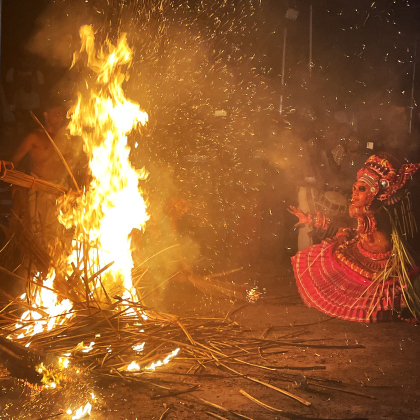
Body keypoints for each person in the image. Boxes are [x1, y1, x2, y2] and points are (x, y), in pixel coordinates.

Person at [289, 153, 420, 322]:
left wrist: (324, 223)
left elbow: (350, 223)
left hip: (385, 265)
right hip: (362, 254)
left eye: (361, 189)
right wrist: (312, 220)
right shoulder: (362, 211)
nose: (355, 194)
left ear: (375, 192)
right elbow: (347, 222)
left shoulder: (380, 214)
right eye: (354, 188)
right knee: (331, 260)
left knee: (393, 295)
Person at [11, 101, 68, 249]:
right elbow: (15, 160)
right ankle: (38, 268)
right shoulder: (34, 137)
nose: (61, 118)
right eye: (57, 114)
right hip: (39, 189)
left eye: (62, 114)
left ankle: (57, 264)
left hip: (60, 191)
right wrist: (15, 186)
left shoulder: (66, 137)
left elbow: (72, 163)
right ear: (46, 115)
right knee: (38, 231)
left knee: (58, 232)